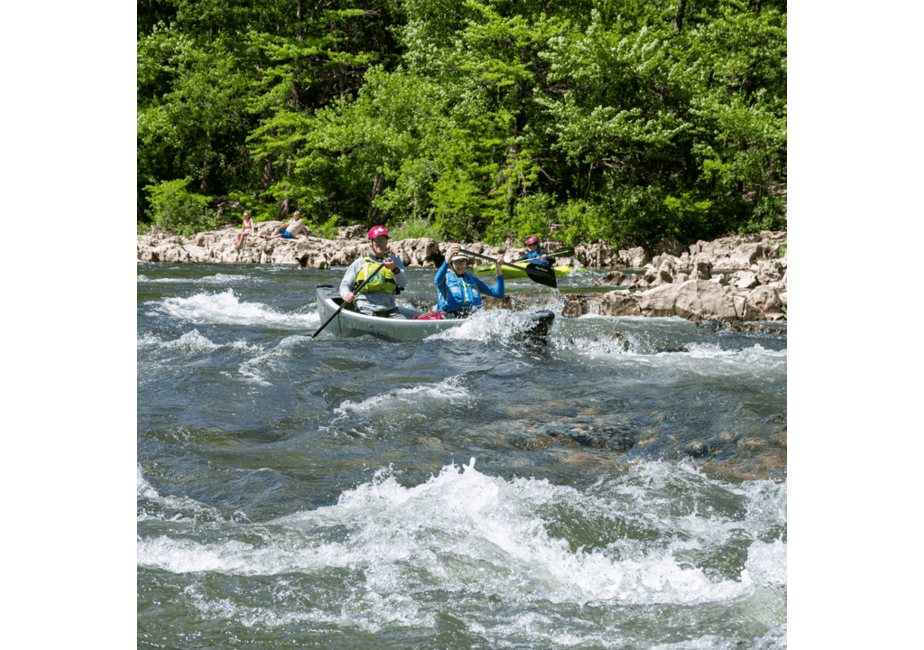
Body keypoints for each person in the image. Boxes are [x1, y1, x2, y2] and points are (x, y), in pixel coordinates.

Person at [340, 226, 409, 318]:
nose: (381, 243)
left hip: (390, 310)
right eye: (377, 240)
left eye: (383, 240)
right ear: (370, 242)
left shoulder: (395, 262)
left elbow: (403, 284)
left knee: (403, 323)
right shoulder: (360, 263)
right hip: (365, 309)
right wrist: (346, 294)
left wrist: (395, 269)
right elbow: (345, 285)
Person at [435, 244, 504, 318]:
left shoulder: (473, 280)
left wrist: (498, 270)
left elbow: (499, 294)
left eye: (463, 261)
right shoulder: (445, 277)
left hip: (472, 319)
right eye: (457, 261)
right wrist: (447, 260)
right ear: (452, 263)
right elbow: (437, 280)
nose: (461, 265)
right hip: (451, 317)